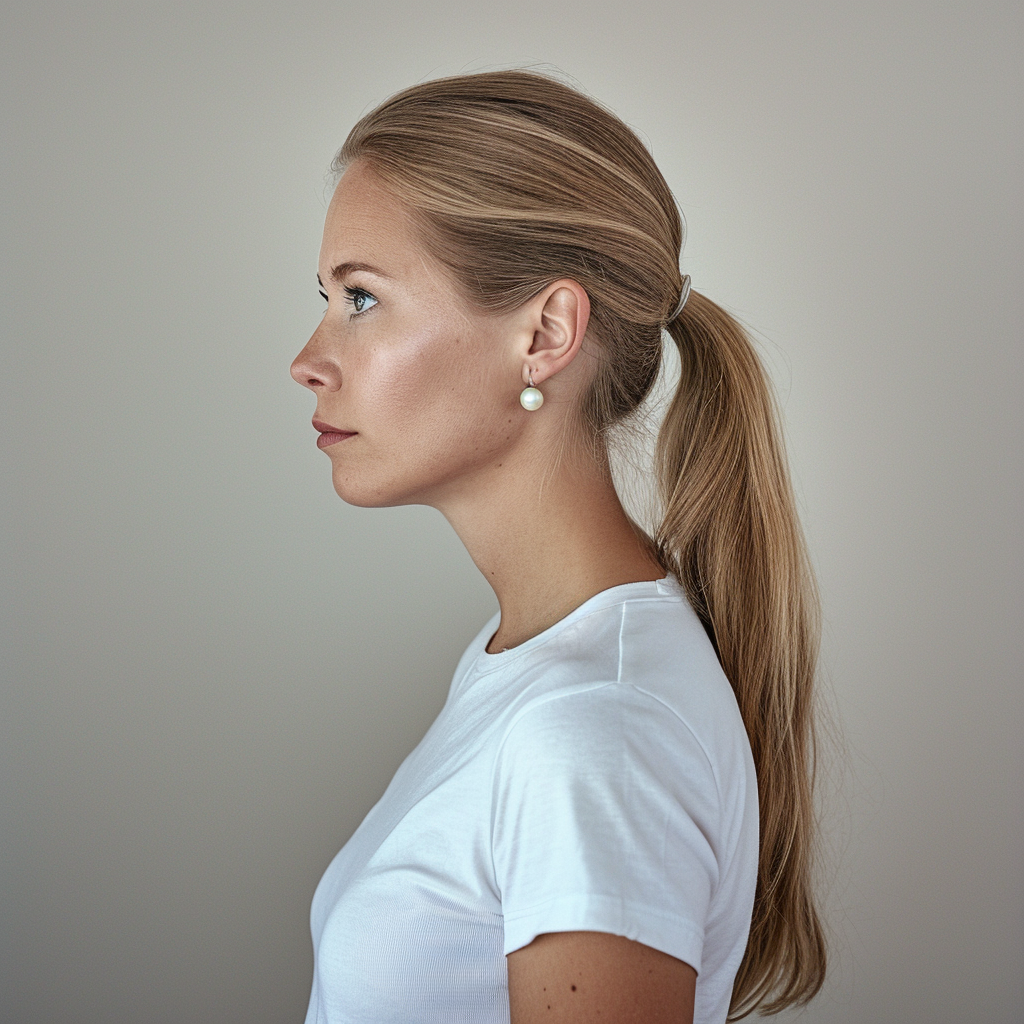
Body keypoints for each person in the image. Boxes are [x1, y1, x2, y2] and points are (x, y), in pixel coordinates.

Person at [289, 69, 825, 1024]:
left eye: (362, 299)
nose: (309, 360)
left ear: (544, 334)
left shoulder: (594, 730)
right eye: (328, 296)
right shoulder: (541, 665)